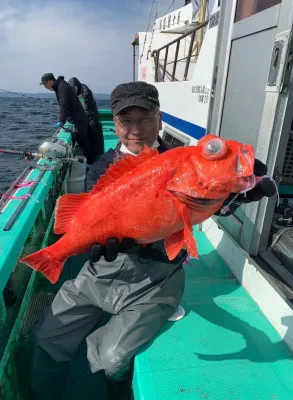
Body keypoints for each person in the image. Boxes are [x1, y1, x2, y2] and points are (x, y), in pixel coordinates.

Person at [29, 81, 276, 400]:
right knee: (46, 341)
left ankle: (112, 385)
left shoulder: (181, 161)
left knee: (111, 359)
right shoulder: (103, 165)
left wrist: (239, 192)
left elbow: (205, 201)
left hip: (154, 283)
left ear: (160, 119)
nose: (135, 129)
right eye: (125, 120)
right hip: (98, 274)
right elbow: (88, 214)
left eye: (144, 118)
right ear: (115, 124)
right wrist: (96, 243)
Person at [40, 73, 97, 164]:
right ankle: (90, 160)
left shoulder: (62, 87)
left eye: (44, 84)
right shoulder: (59, 86)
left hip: (79, 117)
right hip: (76, 117)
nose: (44, 86)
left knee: (83, 141)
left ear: (50, 82)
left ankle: (91, 162)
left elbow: (64, 105)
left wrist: (61, 121)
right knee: (82, 140)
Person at [68, 77, 104, 157]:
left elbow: (86, 108)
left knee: (92, 132)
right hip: (84, 116)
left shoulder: (85, 92)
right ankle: (89, 154)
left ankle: (94, 155)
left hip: (90, 115)